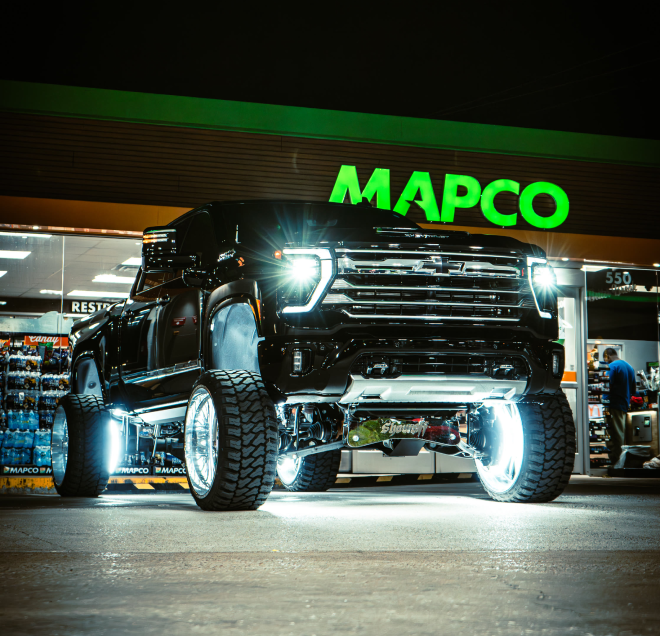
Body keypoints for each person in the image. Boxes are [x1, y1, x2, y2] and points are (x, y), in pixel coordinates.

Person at [602, 348, 637, 465]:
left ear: (607, 356)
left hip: (611, 404)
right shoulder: (629, 367)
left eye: (605, 359)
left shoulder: (612, 366)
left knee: (612, 435)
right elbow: (634, 390)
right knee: (620, 433)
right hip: (623, 405)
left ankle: (616, 462)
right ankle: (619, 461)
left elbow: (607, 385)